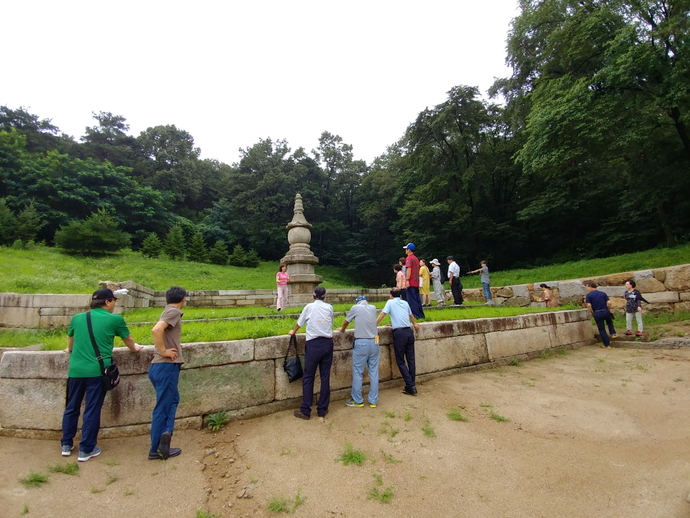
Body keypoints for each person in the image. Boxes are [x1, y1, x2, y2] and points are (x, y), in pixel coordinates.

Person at [61, 289, 142, 462]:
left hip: (75, 370)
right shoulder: (115, 319)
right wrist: (135, 348)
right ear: (107, 302)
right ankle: (86, 449)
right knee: (92, 409)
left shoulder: (77, 318)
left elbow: (70, 340)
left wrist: (70, 350)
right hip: (97, 371)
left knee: (72, 406)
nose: (114, 304)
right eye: (114, 301)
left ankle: (66, 444)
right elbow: (128, 339)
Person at [148, 286, 186, 460]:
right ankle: (157, 449)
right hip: (166, 365)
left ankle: (166, 433)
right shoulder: (173, 312)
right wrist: (163, 351)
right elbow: (156, 330)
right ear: (182, 299)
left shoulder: (167, 310)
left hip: (159, 367)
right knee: (163, 407)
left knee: (172, 400)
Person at [289, 286, 334, 420]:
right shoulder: (329, 307)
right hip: (327, 343)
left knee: (308, 376)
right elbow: (330, 322)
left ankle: (306, 409)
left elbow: (300, 322)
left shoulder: (309, 307)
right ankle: (322, 408)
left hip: (313, 344)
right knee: (325, 376)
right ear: (325, 297)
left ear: (313, 296)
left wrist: (294, 332)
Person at [376, 289, 421, 396]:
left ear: (391, 295)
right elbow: (411, 315)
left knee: (400, 361)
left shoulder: (390, 302)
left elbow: (382, 314)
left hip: (399, 334)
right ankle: (411, 384)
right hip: (408, 332)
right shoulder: (405, 302)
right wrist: (414, 324)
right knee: (411, 359)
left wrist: (373, 324)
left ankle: (410, 386)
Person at [338, 296, 379, 408]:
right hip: (375, 341)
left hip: (361, 342)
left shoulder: (355, 308)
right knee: (374, 372)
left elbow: (346, 321)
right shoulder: (373, 308)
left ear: (357, 302)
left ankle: (358, 400)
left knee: (357, 372)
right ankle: (373, 401)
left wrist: (342, 329)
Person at [584, 281, 618, 347]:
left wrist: (591, 312)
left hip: (597, 312)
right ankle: (613, 333)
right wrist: (608, 309)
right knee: (609, 322)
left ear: (590, 287)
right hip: (605, 311)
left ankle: (607, 345)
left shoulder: (589, 295)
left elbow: (589, 305)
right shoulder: (603, 293)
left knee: (602, 329)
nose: (587, 289)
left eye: (587, 287)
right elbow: (609, 302)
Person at [403, 243, 425, 319]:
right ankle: (421, 314)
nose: (405, 251)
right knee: (417, 299)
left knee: (411, 300)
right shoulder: (416, 258)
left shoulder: (409, 258)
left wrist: (407, 280)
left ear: (409, 250)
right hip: (416, 282)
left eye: (406, 249)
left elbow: (409, 269)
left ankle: (415, 315)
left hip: (411, 281)